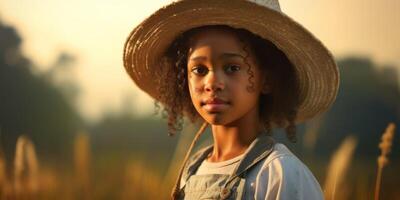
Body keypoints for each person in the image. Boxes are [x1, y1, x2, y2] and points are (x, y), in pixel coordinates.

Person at [123, 0, 339, 199]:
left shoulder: (281, 174)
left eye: (232, 68)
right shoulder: (191, 171)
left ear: (267, 79)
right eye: (199, 69)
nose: (213, 82)